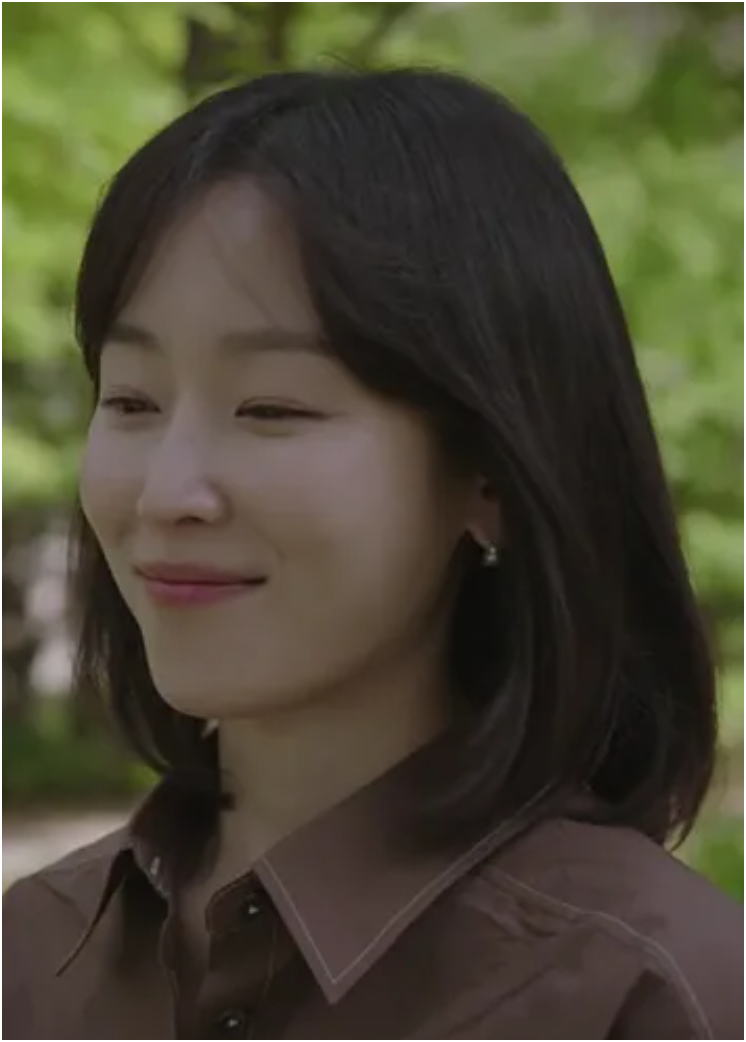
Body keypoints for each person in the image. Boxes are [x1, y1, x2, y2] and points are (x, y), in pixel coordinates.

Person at [2, 66, 742, 1041]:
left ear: (489, 472)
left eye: (270, 408)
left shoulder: (650, 991)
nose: (165, 493)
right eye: (132, 400)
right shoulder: (31, 955)